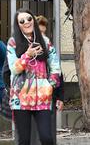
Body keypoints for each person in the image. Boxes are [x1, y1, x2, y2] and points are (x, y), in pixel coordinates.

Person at [8, 8, 61, 145]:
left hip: (43, 97)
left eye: (29, 18)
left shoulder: (45, 41)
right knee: (24, 140)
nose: (26, 22)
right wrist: (27, 55)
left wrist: (50, 85)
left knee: (46, 138)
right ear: (17, 24)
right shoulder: (13, 43)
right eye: (22, 20)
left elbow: (55, 67)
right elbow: (14, 69)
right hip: (20, 99)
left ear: (33, 20)